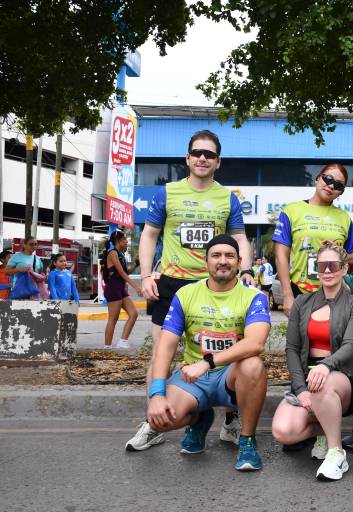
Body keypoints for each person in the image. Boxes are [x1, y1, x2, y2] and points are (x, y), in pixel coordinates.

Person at [128, 130, 253, 451]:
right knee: (160, 354)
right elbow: (150, 234)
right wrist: (145, 275)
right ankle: (153, 420)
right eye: (197, 152)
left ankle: (230, 420)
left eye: (209, 154)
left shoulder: (228, 198)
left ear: (218, 162)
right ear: (187, 158)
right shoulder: (167, 193)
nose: (202, 158)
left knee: (227, 356)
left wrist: (248, 271)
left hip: (218, 286)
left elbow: (239, 239)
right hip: (171, 285)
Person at [141, 234, 270, 471]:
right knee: (159, 420)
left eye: (229, 256)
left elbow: (255, 343)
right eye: (216, 255)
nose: (223, 261)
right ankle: (200, 419)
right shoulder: (186, 294)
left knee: (252, 364)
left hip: (231, 376)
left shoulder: (255, 297)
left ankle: (247, 440)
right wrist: (157, 394)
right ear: (206, 261)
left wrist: (207, 363)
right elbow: (166, 347)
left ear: (239, 262)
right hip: (194, 378)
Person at [271, 241, 353, 481]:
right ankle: (325, 427)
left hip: (340, 377)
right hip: (306, 376)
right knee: (283, 432)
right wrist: (300, 389)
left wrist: (325, 365)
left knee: (322, 383)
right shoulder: (303, 302)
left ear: (344, 269)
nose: (327, 271)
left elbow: (349, 346)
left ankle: (336, 453)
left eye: (333, 265)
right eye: (321, 265)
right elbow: (291, 349)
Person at [273, 163, 353, 318]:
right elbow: (280, 255)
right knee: (301, 342)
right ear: (318, 178)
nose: (330, 186)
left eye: (338, 185)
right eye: (327, 178)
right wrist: (288, 295)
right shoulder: (291, 211)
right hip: (300, 292)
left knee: (334, 341)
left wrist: (337, 252)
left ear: (341, 192)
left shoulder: (344, 218)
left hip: (336, 295)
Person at [102, 231, 141, 350]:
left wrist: (135, 264)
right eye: (124, 239)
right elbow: (122, 273)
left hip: (120, 287)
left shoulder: (120, 254)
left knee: (133, 314)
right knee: (113, 318)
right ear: (118, 241)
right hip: (113, 287)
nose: (127, 241)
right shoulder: (113, 253)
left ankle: (123, 341)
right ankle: (107, 347)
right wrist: (136, 286)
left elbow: (126, 271)